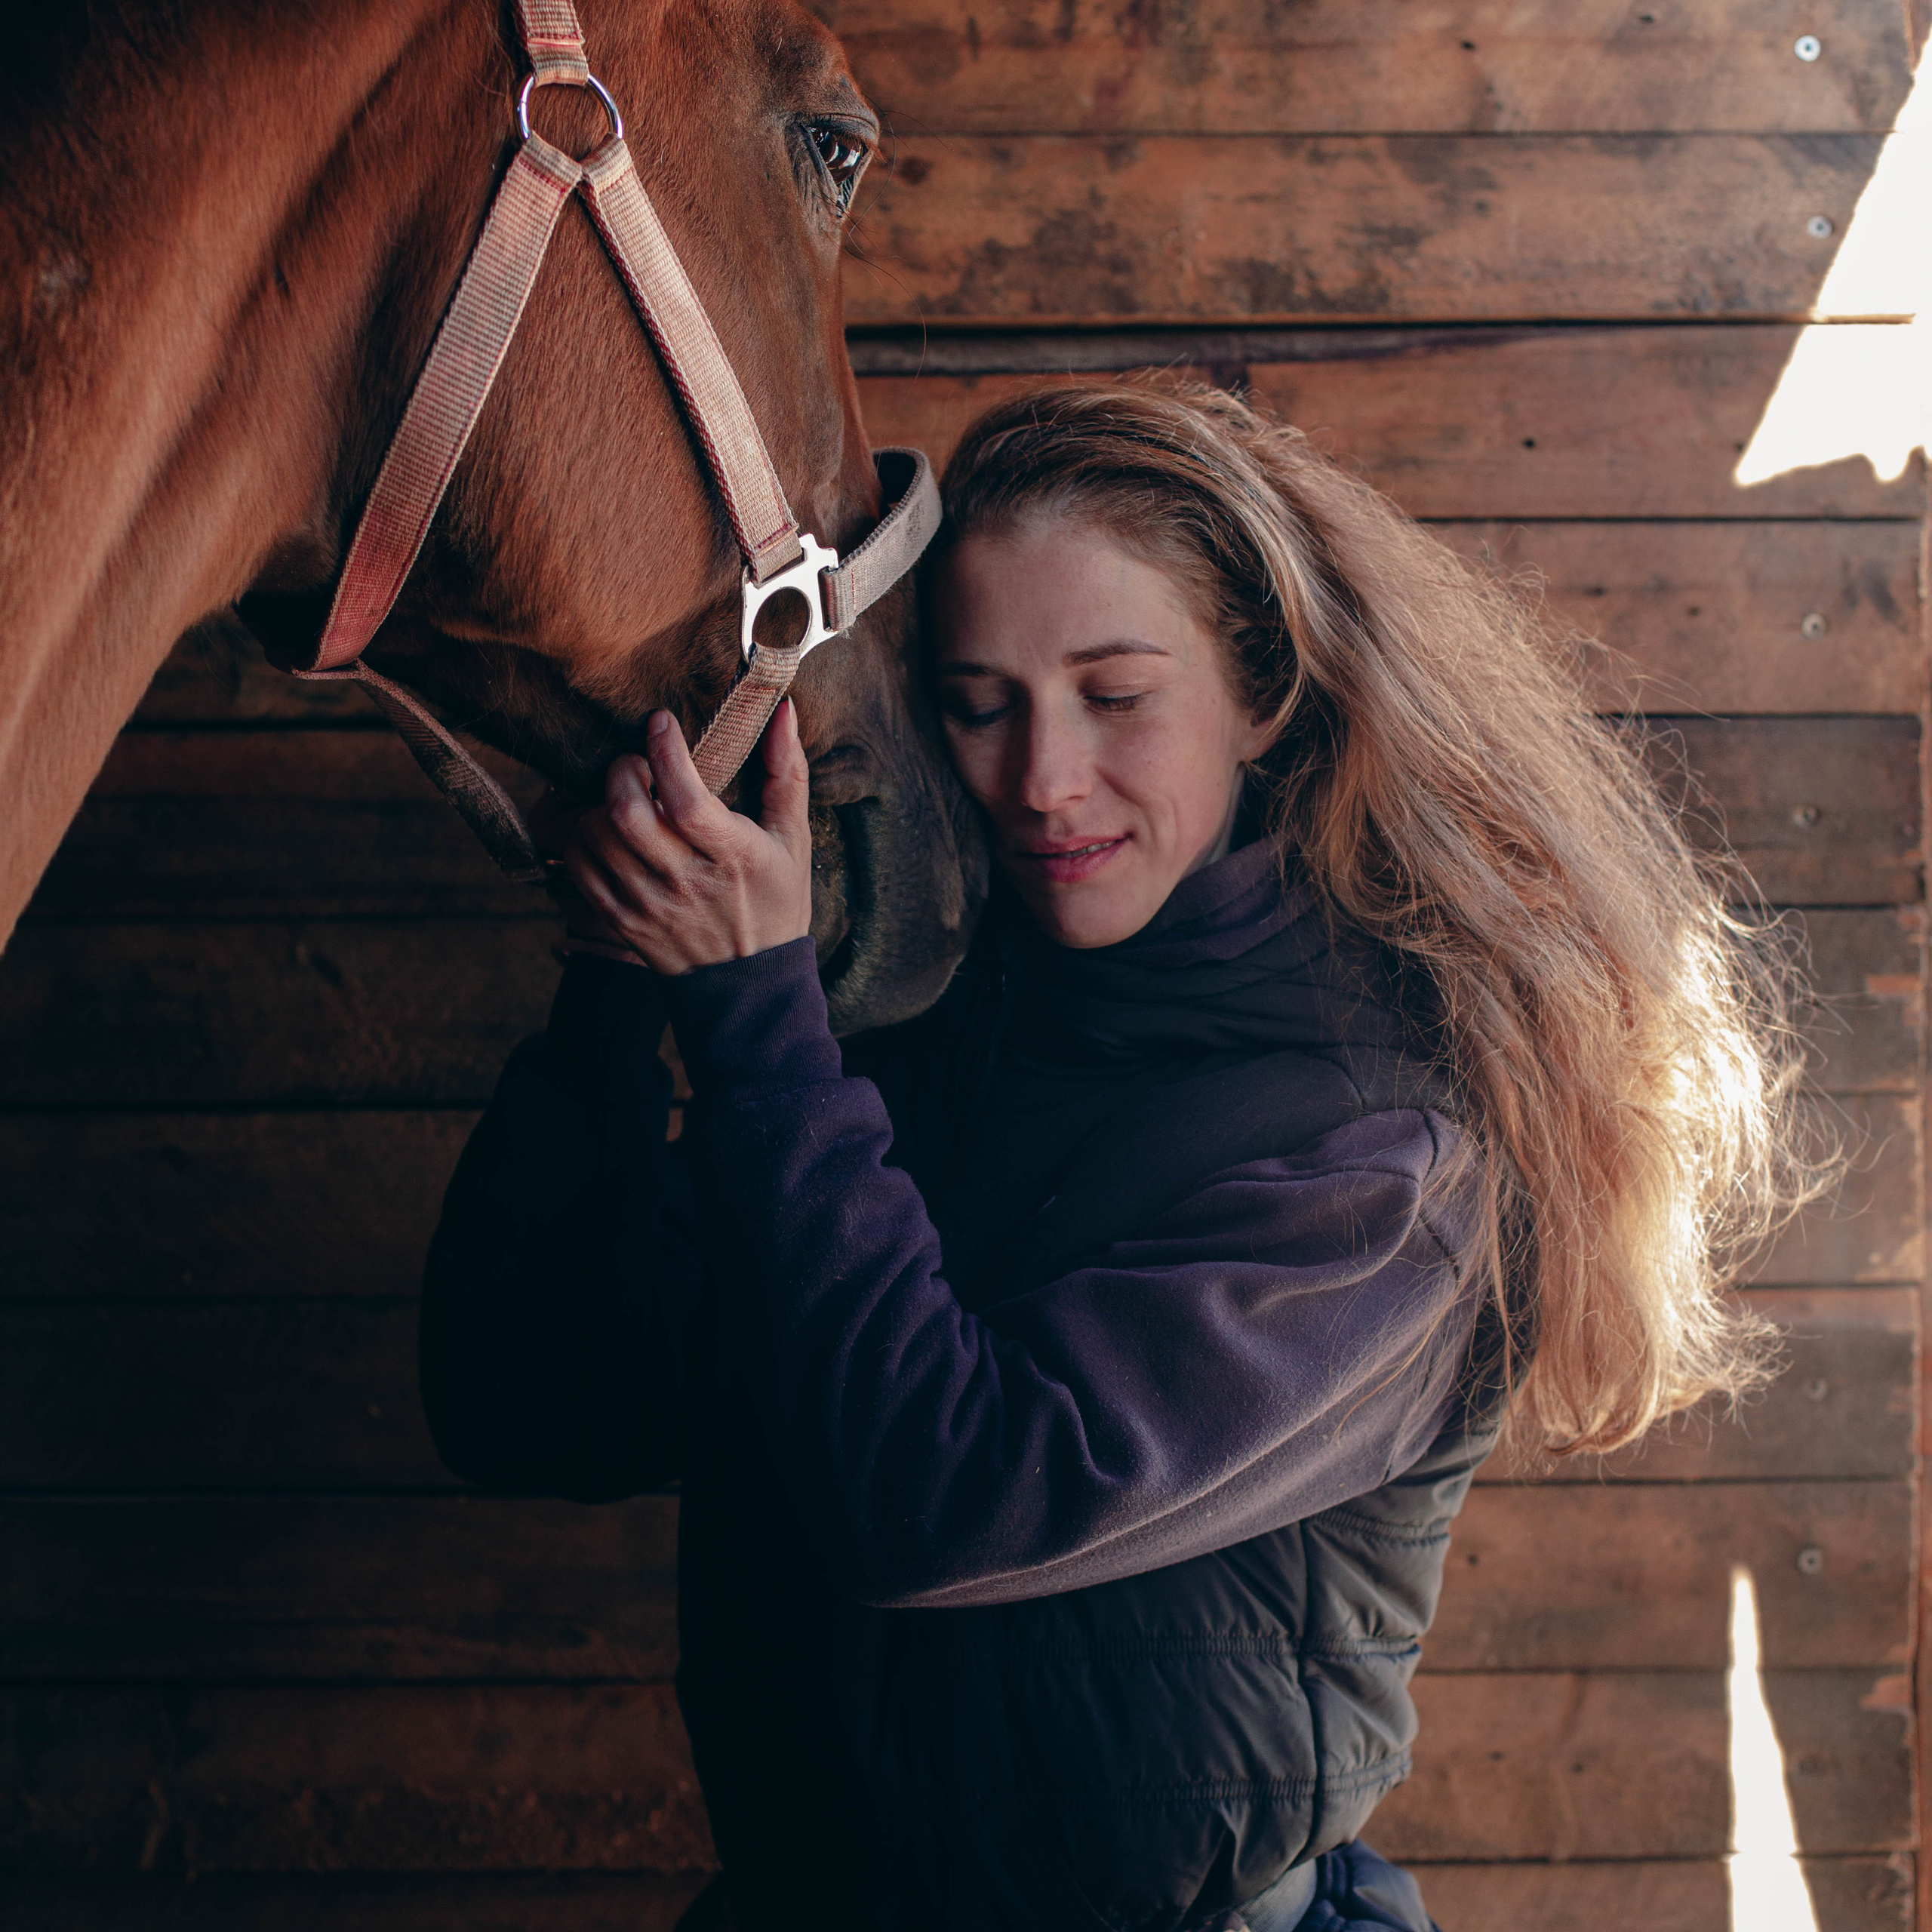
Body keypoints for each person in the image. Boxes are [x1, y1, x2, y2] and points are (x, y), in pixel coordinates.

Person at [420, 381, 1817, 1931]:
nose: (1040, 778)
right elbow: (538, 1406)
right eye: (979, 700)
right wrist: (625, 977)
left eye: (1115, 692)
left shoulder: (1386, 1147)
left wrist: (751, 1022)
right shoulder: (900, 1023)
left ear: (1261, 692)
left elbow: (940, 1496)